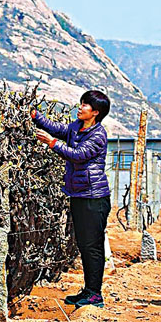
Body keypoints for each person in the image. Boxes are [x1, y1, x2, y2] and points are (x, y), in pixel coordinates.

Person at [31, 90, 111, 309]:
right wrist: (37, 117)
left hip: (94, 197)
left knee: (92, 245)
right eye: (81, 103)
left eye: (85, 105)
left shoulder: (98, 135)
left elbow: (77, 155)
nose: (80, 107)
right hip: (79, 194)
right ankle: (89, 289)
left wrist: (52, 144)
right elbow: (58, 129)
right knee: (84, 245)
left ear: (95, 112)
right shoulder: (77, 127)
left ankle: (95, 294)